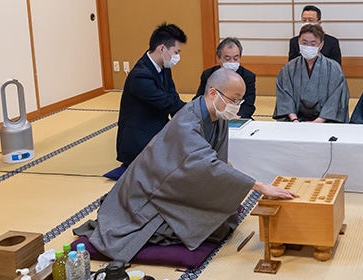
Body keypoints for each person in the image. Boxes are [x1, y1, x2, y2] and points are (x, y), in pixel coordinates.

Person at [76, 69, 297, 262]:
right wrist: (259, 186)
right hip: (152, 193)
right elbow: (207, 165)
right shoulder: (187, 123)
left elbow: (216, 161)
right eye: (235, 100)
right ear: (213, 93)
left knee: (223, 218)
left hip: (177, 182)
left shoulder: (216, 116)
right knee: (201, 227)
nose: (237, 106)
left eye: (240, 100)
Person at [115, 23, 187, 166]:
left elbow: (173, 96)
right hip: (138, 136)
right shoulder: (140, 75)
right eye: (176, 52)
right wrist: (198, 110)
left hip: (157, 126)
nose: (177, 57)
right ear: (162, 48)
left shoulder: (164, 67)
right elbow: (167, 103)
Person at [274, 24, 350, 123]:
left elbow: (336, 100)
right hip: (295, 120)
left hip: (326, 121)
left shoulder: (334, 68)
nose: (308, 47)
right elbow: (284, 95)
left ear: (321, 45)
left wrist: (318, 121)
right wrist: (294, 119)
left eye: (313, 44)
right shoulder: (289, 68)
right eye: (304, 43)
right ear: (298, 42)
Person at [194, 37, 256, 119]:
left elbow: (249, 103)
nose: (232, 62)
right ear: (219, 58)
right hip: (213, 115)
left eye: (236, 58)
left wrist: (237, 116)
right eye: (227, 58)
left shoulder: (248, 76)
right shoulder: (208, 74)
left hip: (237, 116)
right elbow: (200, 99)